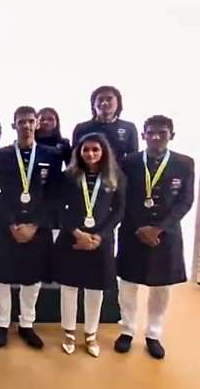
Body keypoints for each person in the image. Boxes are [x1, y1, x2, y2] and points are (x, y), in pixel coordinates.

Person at [115, 115, 195, 360]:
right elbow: (122, 197)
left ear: (171, 135)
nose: (156, 137)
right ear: (143, 135)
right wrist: (141, 227)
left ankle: (153, 334)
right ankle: (127, 330)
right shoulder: (129, 162)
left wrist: (158, 228)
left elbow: (185, 201)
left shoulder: (185, 163)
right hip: (133, 231)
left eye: (162, 132)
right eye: (151, 132)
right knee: (128, 284)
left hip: (166, 234)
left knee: (161, 287)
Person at [0, 106, 63, 349]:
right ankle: (1, 324)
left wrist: (34, 224)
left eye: (31, 121)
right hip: (5, 225)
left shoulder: (51, 155)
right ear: (14, 125)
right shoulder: (0, 155)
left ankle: (27, 324)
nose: (27, 126)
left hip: (37, 226)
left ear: (38, 124)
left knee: (33, 278)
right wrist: (11, 223)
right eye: (21, 122)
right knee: (1, 277)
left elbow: (54, 195)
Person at [53, 133, 125, 357]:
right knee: (69, 288)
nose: (91, 153)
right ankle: (69, 332)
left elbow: (119, 211)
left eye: (95, 149)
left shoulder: (116, 177)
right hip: (71, 238)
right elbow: (58, 209)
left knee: (95, 290)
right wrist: (76, 233)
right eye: (86, 149)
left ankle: (91, 333)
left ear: (104, 152)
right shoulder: (68, 177)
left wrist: (99, 236)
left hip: (100, 242)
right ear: (79, 152)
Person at [72, 85, 138, 160]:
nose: (104, 103)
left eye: (109, 99)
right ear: (93, 104)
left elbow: (133, 158)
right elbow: (75, 158)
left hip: (118, 171)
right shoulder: (81, 128)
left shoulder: (129, 127)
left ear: (118, 103)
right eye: (100, 99)